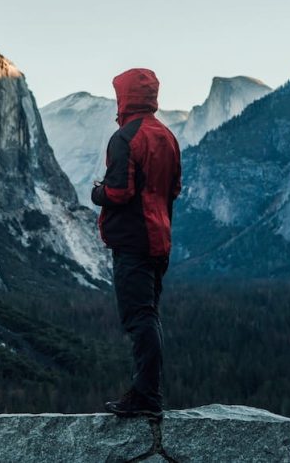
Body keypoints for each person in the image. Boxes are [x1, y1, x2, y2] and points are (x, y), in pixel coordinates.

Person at [91, 67, 181, 420]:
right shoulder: (167, 137)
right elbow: (174, 188)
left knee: (138, 318)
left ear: (125, 97)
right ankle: (147, 392)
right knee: (149, 315)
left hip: (133, 241)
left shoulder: (126, 137)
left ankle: (146, 396)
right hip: (160, 240)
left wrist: (98, 193)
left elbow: (118, 191)